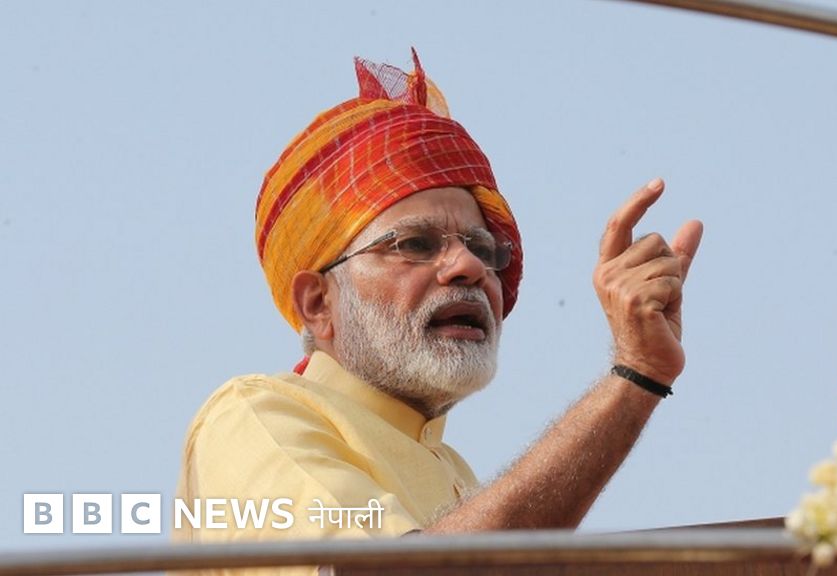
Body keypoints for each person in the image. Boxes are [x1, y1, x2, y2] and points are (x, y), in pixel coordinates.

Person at [175, 50, 703, 556]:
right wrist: (635, 376)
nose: (469, 267)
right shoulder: (254, 417)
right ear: (318, 303)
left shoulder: (456, 475)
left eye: (482, 248)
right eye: (414, 244)